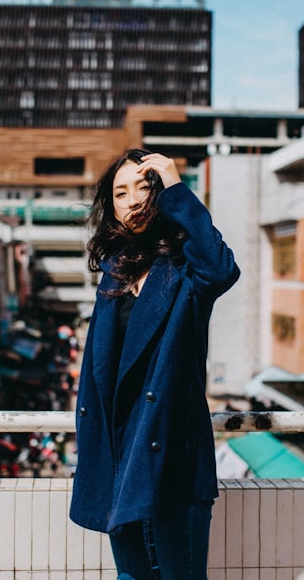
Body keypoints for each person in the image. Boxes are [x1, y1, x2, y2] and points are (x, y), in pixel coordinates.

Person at [69, 149, 240, 580]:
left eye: (145, 187)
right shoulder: (114, 272)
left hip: (171, 452)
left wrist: (174, 182)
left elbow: (223, 270)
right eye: (120, 193)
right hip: (118, 454)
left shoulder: (188, 269)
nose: (132, 201)